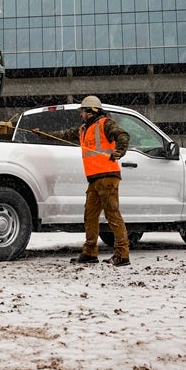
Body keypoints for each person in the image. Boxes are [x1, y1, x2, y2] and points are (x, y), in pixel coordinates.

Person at [73, 95, 131, 267]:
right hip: (94, 179)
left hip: (107, 176)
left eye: (83, 111)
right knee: (90, 215)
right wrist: (42, 134)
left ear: (91, 111)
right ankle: (90, 252)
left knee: (112, 214)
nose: (81, 114)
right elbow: (65, 134)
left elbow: (123, 135)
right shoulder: (84, 128)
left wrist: (119, 151)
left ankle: (122, 254)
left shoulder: (105, 123)